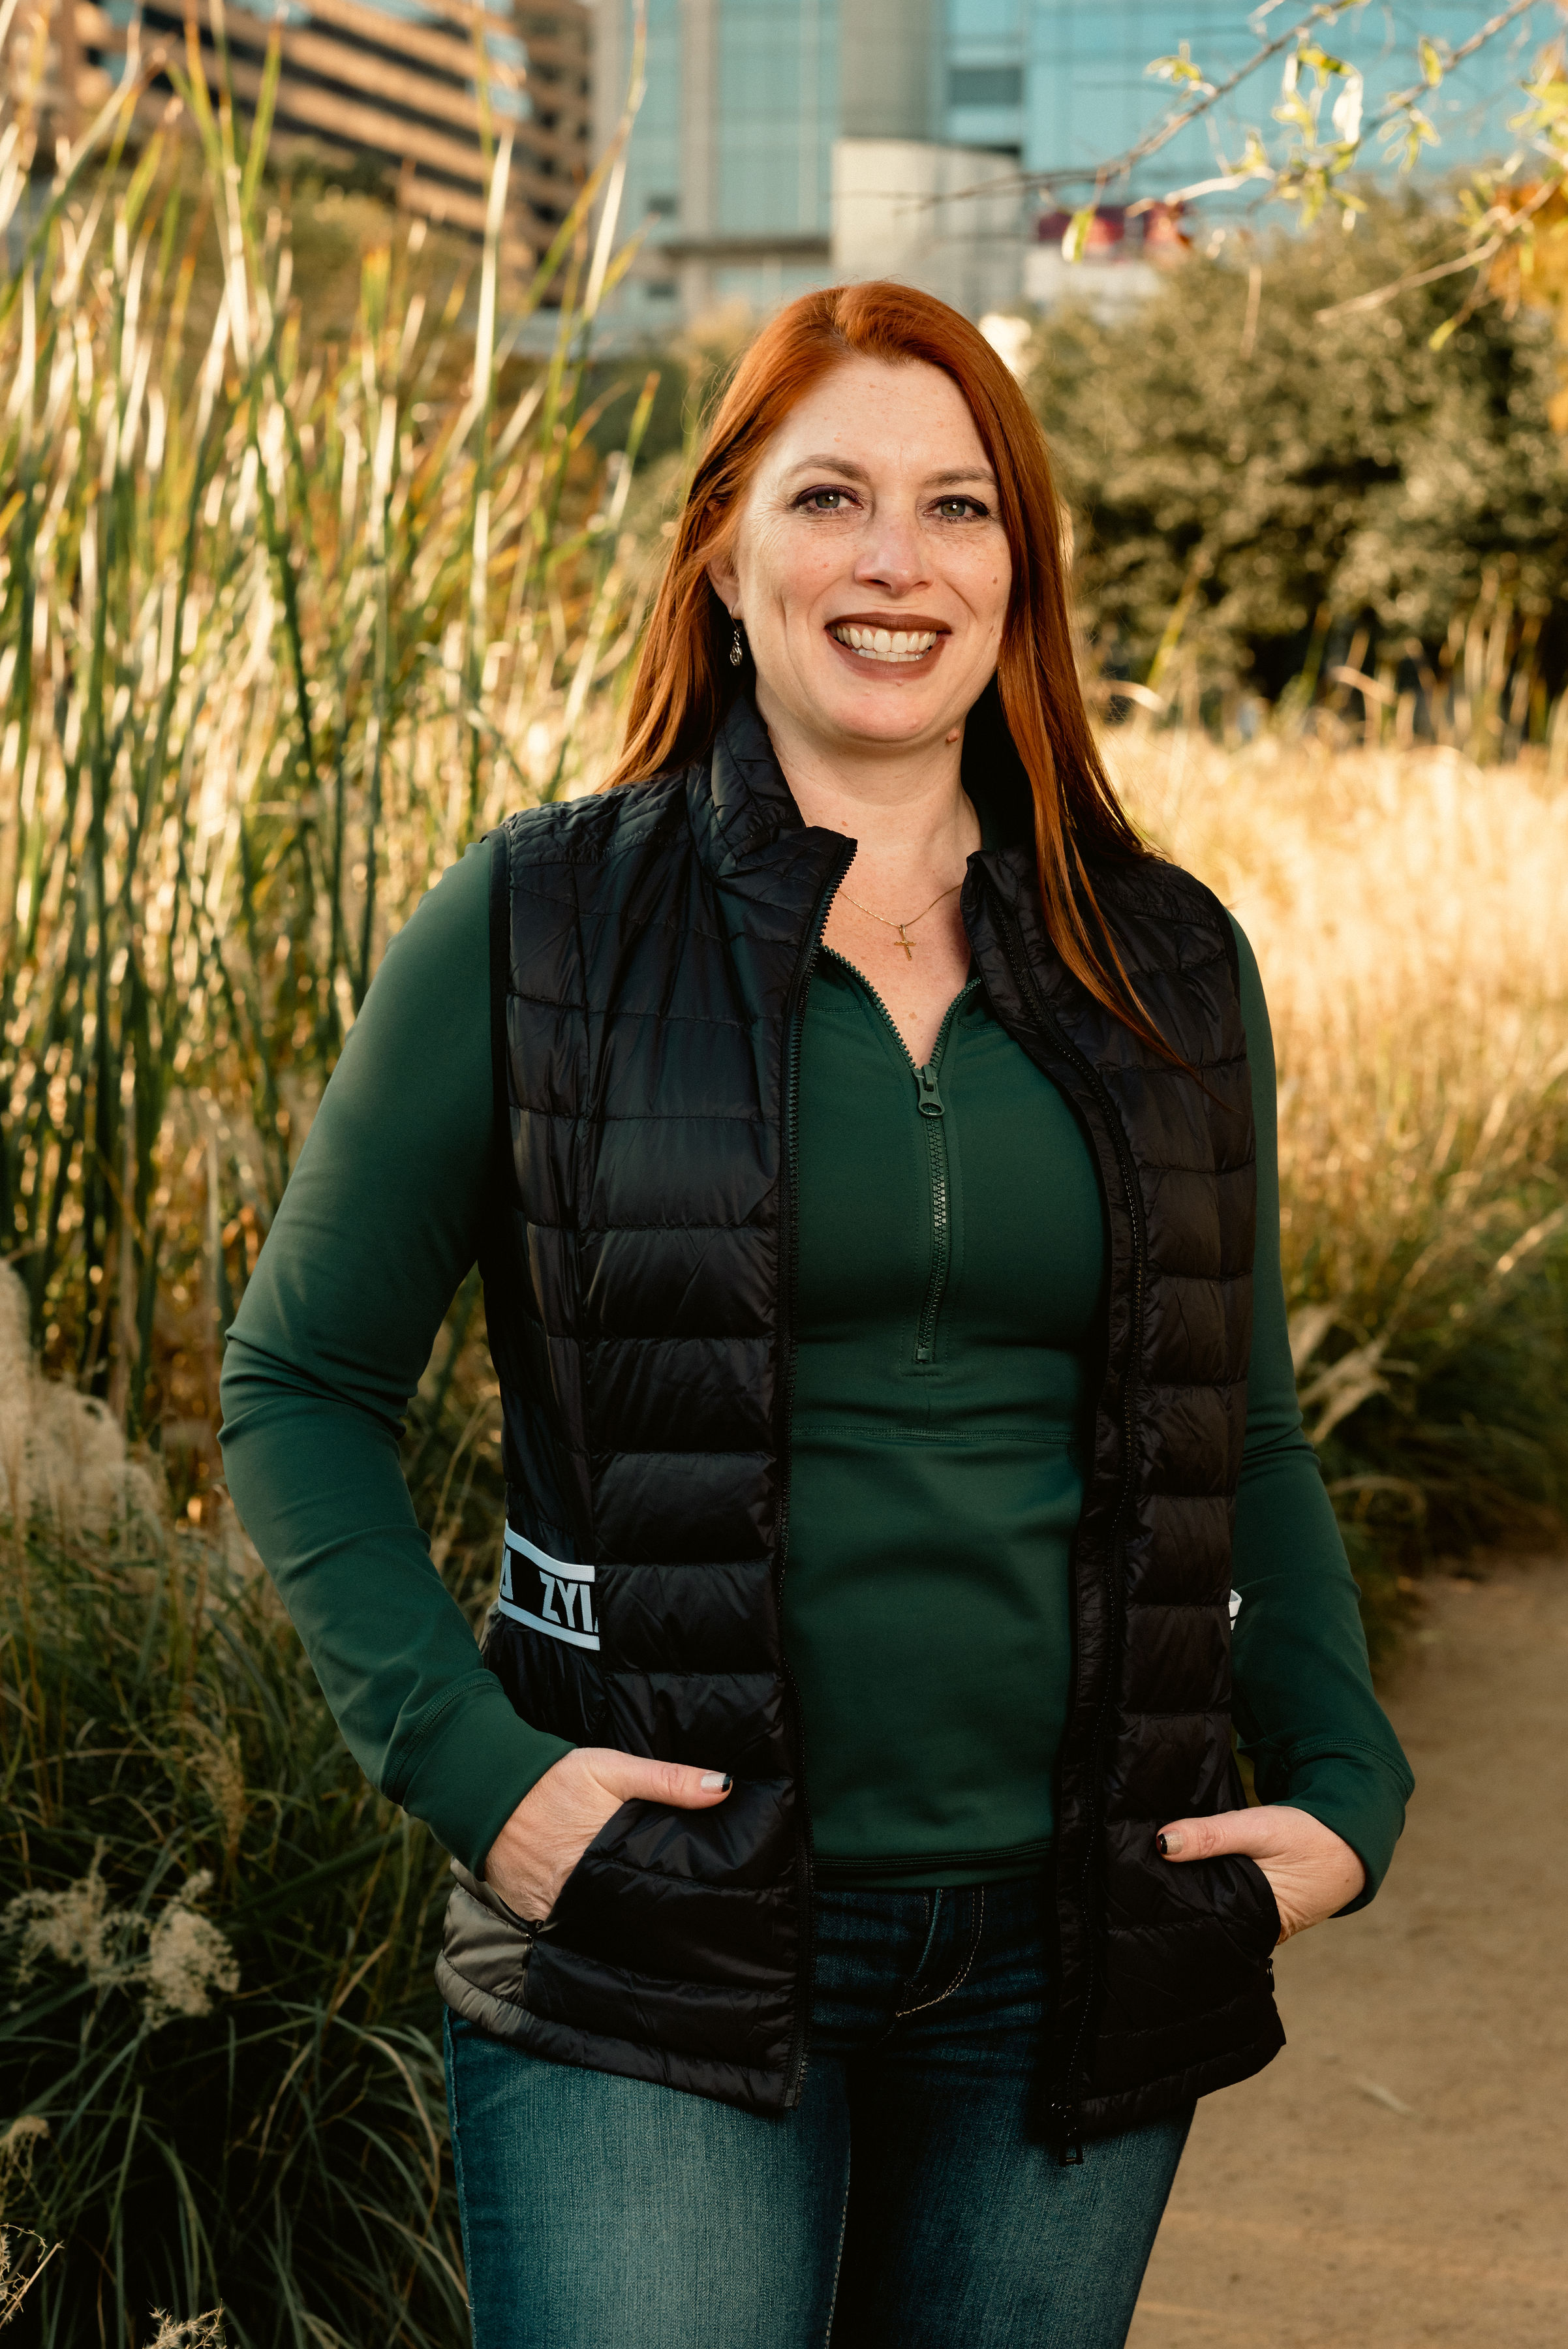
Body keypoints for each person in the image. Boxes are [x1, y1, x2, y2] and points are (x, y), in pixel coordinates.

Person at [219, 281, 1413, 2349]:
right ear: (723, 545)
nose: (894, 559)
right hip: (655, 1935)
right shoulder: (541, 923)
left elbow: (1246, 1423)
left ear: (1017, 570)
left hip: (1073, 1946)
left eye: (957, 507)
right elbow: (299, 1384)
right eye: (830, 496)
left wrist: (1345, 1788)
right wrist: (478, 1771)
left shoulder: (1164, 958)